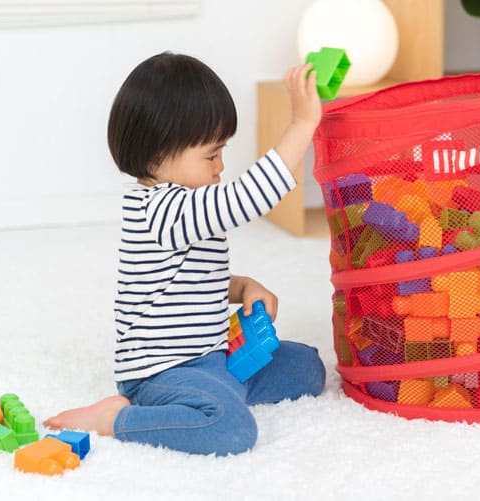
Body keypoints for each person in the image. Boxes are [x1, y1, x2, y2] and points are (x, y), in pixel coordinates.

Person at [44, 52, 325, 456]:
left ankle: (219, 391)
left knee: (307, 368)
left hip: (212, 358)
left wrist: (243, 286)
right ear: (157, 157)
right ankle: (117, 420)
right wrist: (301, 124)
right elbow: (248, 198)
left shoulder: (186, 205)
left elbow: (187, 280)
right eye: (211, 154)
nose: (221, 166)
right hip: (163, 373)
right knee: (231, 430)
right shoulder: (164, 208)